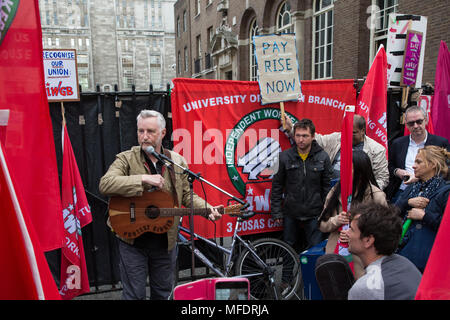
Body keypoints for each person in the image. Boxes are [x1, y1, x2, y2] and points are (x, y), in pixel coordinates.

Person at [99, 109, 222, 300]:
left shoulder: (177, 161)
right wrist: (143, 179)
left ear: (163, 133)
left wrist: (207, 209)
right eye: (141, 131)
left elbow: (187, 196)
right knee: (134, 296)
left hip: (165, 243)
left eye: (150, 131)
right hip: (132, 242)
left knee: (163, 294)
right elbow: (105, 184)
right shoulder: (126, 158)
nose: (144, 136)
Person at [318, 150, 387, 279]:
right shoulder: (336, 190)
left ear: (361, 171)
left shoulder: (376, 196)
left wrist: (354, 234)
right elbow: (322, 224)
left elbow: (385, 232)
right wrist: (337, 221)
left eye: (348, 167)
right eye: (342, 166)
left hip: (364, 263)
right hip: (335, 256)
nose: (343, 170)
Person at [271, 118, 333, 252]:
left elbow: (327, 188)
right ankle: (287, 274)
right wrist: (276, 213)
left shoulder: (323, 157)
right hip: (290, 213)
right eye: (298, 135)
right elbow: (276, 186)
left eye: (305, 136)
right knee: (288, 248)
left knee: (315, 250)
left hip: (315, 213)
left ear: (313, 137)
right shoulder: (283, 157)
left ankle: (311, 274)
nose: (301, 139)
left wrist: (326, 212)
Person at [283, 114, 389, 190]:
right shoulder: (337, 138)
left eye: (353, 133)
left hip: (359, 197)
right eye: (346, 131)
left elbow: (382, 179)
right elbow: (316, 140)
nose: (348, 135)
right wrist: (291, 128)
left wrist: (366, 192)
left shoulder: (377, 150)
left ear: (363, 131)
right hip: (332, 191)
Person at [346, 202, 422, 300]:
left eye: (351, 229)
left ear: (368, 240)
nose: (346, 233)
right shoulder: (405, 263)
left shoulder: (366, 287)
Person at [395, 146, 450, 272]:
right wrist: (408, 202)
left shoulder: (445, 191)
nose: (413, 166)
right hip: (403, 251)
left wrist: (424, 216)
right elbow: (392, 212)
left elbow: (446, 225)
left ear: (432, 165)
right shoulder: (414, 186)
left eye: (418, 162)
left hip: (425, 258)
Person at [386, 105, 450, 202]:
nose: (416, 126)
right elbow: (390, 165)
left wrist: (418, 178)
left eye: (419, 122)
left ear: (426, 120)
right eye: (411, 123)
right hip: (402, 191)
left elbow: (446, 169)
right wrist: (397, 172)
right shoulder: (398, 143)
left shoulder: (440, 143)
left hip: (431, 193)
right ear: (406, 125)